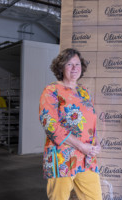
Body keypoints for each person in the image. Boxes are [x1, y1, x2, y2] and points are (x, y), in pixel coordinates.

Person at [39, 48, 102, 200]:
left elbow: (90, 122)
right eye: (69, 64)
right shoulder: (51, 91)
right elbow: (50, 126)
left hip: (86, 158)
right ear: (61, 67)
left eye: (77, 64)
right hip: (61, 158)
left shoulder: (84, 92)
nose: (75, 68)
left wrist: (96, 143)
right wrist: (81, 146)